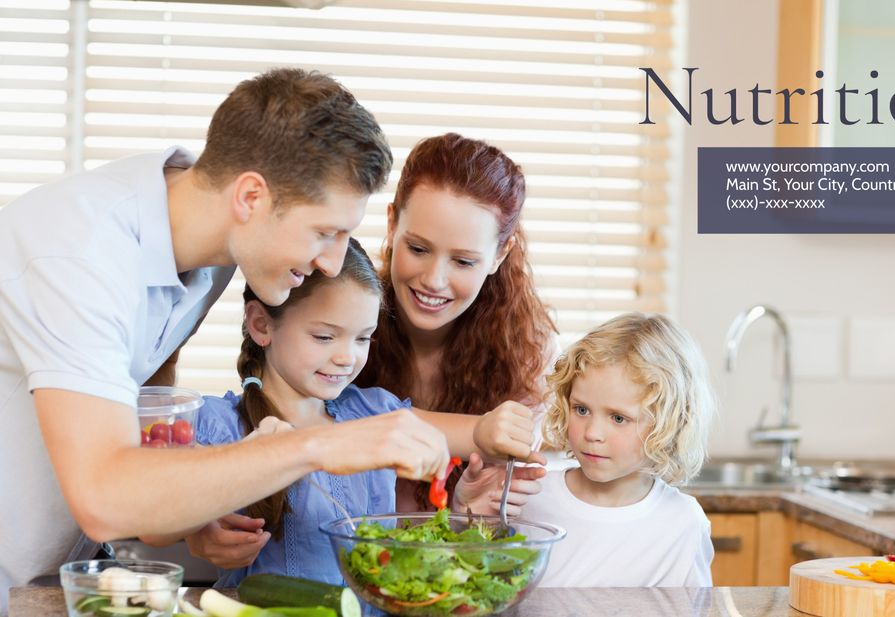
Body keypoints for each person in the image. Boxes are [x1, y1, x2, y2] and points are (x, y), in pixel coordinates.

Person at [0, 68, 525, 611]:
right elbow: (106, 496)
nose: (331, 260)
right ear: (251, 195)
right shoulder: (79, 256)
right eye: (325, 232)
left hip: (57, 572)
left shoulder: (214, 247)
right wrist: (319, 443)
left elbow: (149, 406)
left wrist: (197, 512)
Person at [142, 240, 536, 586]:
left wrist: (495, 430)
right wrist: (198, 525)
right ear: (262, 324)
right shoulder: (217, 422)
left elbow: (476, 435)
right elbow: (153, 521)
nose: (348, 357)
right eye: (325, 336)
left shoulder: (374, 411)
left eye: (363, 337)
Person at [354, 133, 559, 511]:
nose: (433, 279)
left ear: (501, 254)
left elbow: (481, 531)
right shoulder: (342, 314)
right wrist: (476, 434)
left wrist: (467, 514)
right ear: (391, 223)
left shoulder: (528, 352)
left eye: (463, 261)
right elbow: (327, 429)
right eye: (417, 248)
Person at [521, 313, 718, 587]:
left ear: (669, 423)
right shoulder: (529, 497)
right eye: (581, 410)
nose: (592, 433)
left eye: (618, 418)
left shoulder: (683, 523)